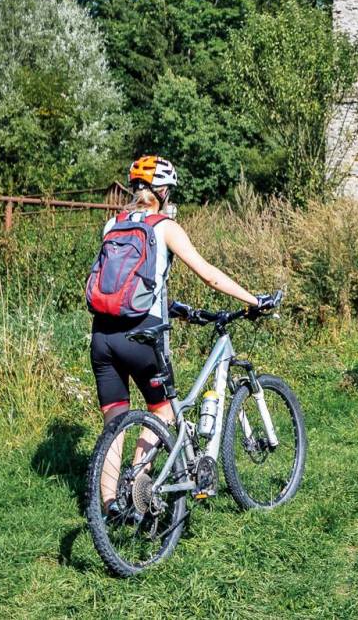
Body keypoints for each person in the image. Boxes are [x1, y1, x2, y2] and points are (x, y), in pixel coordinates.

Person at [92, 155, 277, 502]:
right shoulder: (165, 227)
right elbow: (209, 275)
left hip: (102, 335)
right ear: (162, 191)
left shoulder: (111, 225)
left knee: (115, 422)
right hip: (141, 334)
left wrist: (172, 306)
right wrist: (254, 300)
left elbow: (121, 281)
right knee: (162, 412)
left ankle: (110, 506)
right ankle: (139, 486)